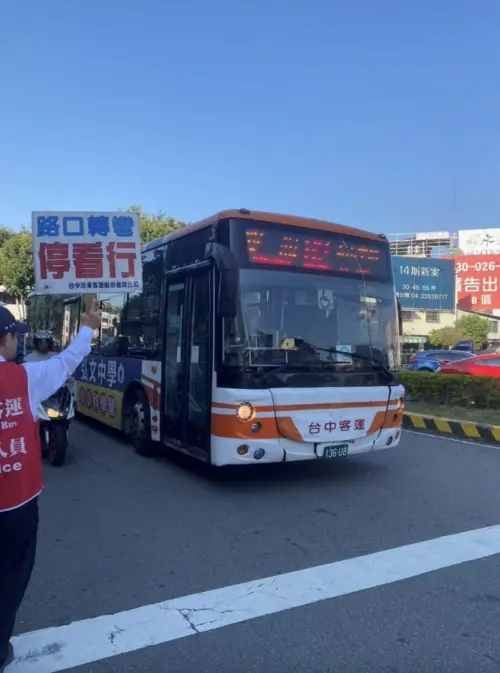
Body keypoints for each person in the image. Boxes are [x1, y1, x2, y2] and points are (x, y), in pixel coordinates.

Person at [0, 300, 101, 672]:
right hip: (15, 502)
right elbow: (65, 363)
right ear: (6, 339)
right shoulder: (23, 377)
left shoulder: (25, 373)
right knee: (11, 575)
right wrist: (88, 328)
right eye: (13, 336)